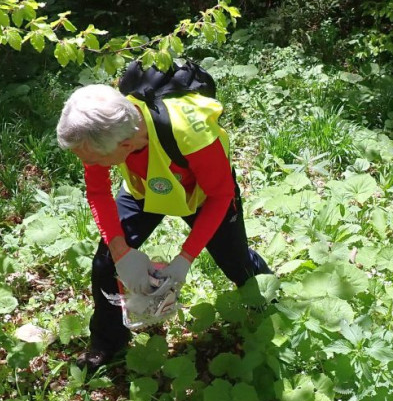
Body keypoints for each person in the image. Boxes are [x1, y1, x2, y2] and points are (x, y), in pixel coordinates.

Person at [56, 78, 271, 369]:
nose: (88, 162)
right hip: (145, 188)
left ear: (126, 144)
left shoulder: (191, 135)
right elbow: (97, 192)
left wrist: (184, 258)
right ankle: (107, 343)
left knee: (236, 261)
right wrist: (121, 252)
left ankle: (269, 304)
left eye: (94, 159)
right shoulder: (98, 133)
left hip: (203, 194)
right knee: (106, 264)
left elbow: (221, 197)